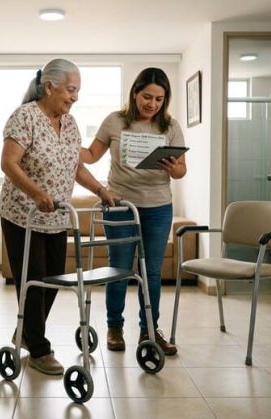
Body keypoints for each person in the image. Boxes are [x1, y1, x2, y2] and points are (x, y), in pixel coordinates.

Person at [0, 58, 110, 375]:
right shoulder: (25, 117)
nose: (75, 97)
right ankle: (39, 349)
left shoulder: (70, 123)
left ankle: (26, 334)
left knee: (51, 282)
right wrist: (35, 193)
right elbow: (9, 163)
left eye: (77, 91)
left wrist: (102, 191)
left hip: (57, 217)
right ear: (49, 87)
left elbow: (76, 167)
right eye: (71, 90)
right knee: (32, 281)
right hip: (23, 216)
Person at [80, 67, 186, 356]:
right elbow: (90, 155)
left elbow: (180, 171)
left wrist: (173, 166)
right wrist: (62, 145)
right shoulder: (114, 121)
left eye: (159, 99)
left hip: (158, 207)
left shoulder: (170, 126)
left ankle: (149, 330)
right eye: (147, 97)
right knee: (120, 269)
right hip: (120, 205)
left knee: (151, 271)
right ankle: (114, 327)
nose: (152, 104)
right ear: (134, 94)